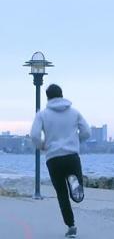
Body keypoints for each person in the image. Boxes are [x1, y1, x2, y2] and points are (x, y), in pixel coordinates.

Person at [30, 84, 91, 238]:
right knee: (76, 190)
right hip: (71, 156)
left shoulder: (42, 115)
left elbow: (35, 135)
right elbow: (87, 132)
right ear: (62, 95)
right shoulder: (74, 113)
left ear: (48, 97)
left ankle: (71, 226)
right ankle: (74, 182)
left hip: (54, 158)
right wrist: (76, 141)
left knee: (61, 194)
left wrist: (42, 146)